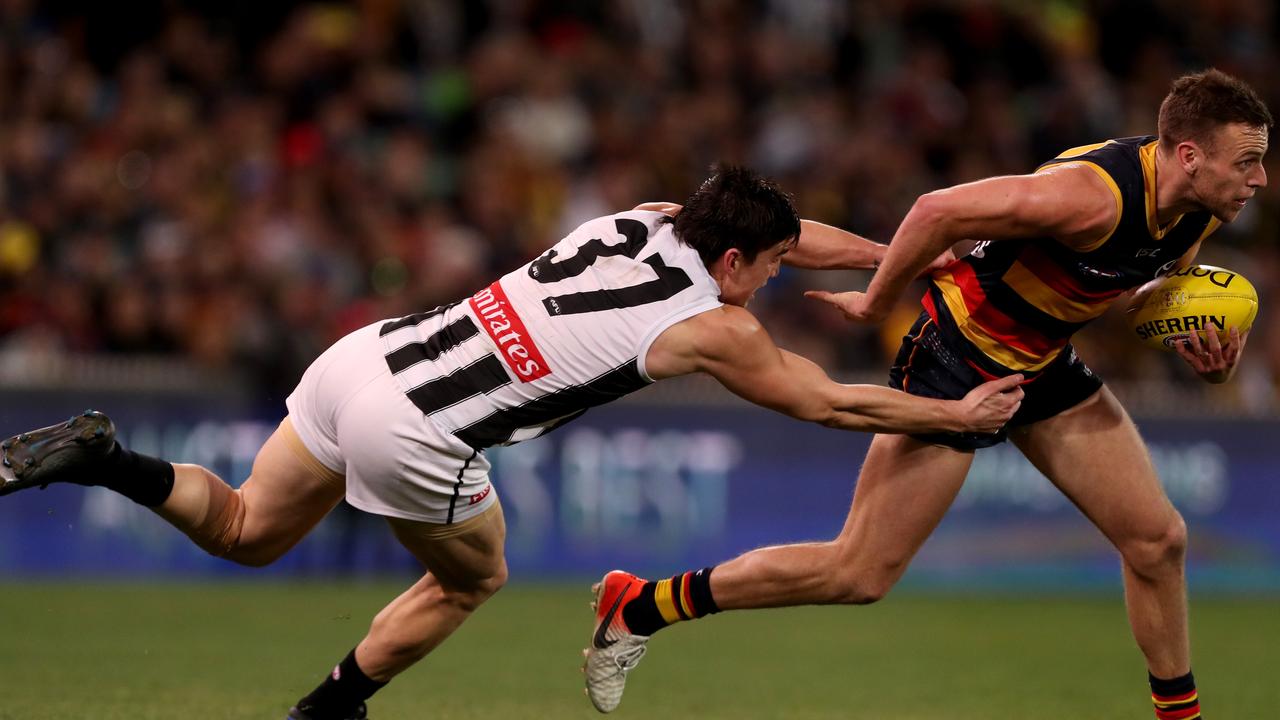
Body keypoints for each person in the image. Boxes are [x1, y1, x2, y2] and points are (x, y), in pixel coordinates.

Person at [0, 165, 1023, 720]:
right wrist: (955, 416)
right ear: (731, 258)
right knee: (467, 583)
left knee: (244, 531)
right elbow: (827, 407)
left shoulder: (648, 215)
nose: (772, 282)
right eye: (764, 269)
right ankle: (329, 711)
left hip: (368, 360)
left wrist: (905, 261)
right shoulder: (715, 327)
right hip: (421, 432)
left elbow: (788, 242)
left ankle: (104, 455)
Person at [585, 69, 1269, 720]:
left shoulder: (1197, 211)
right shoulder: (1090, 194)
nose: (1259, 179)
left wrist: (1189, 343)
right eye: (1246, 162)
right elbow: (936, 210)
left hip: (1042, 362)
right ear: (1187, 156)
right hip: (957, 355)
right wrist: (877, 303)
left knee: (1158, 542)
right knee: (857, 573)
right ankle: (642, 604)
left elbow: (1125, 282)